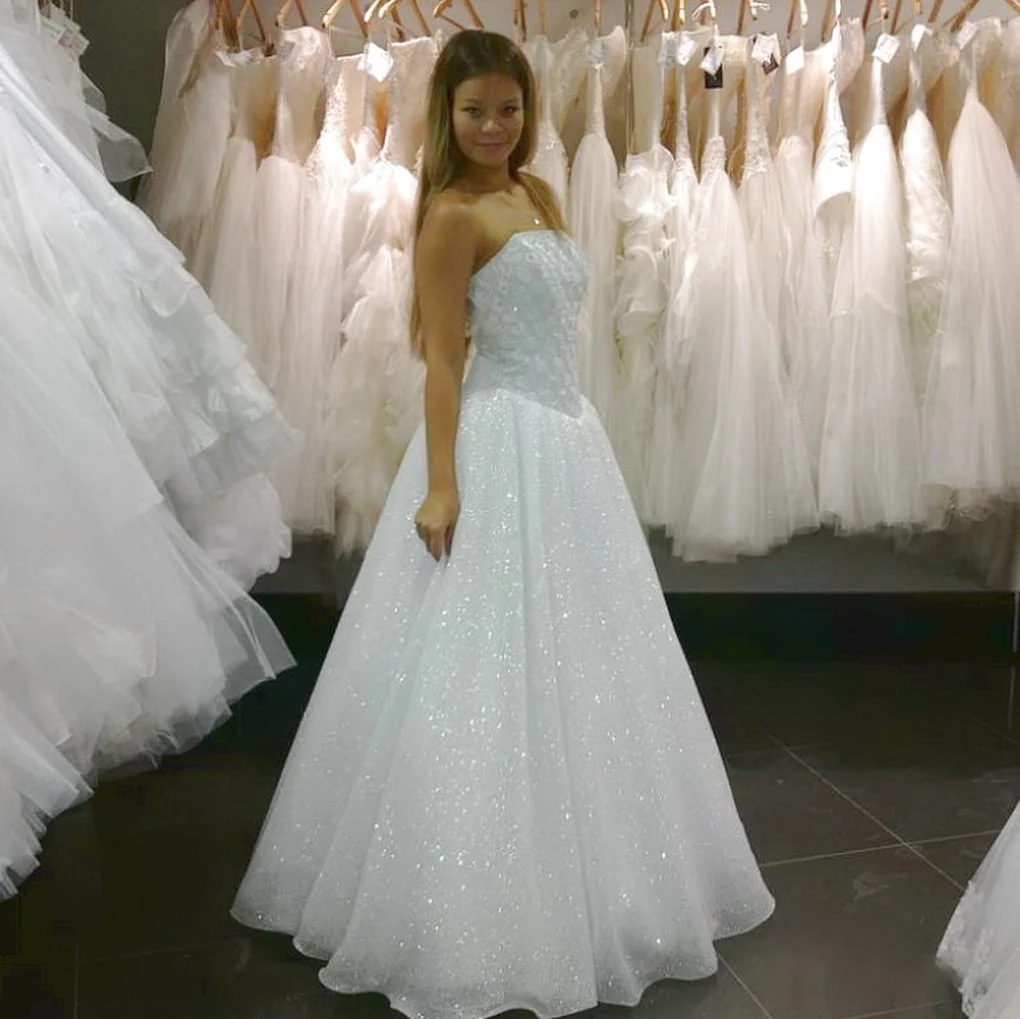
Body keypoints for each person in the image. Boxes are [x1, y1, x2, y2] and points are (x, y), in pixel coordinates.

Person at [231, 30, 774, 1019]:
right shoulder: (448, 215)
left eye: (509, 108)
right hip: (498, 437)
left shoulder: (538, 195)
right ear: (447, 113)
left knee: (589, 660)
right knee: (479, 658)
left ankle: (605, 873)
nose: (494, 126)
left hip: (568, 437)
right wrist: (443, 485)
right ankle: (469, 902)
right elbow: (443, 361)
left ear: (528, 109)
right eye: (476, 110)